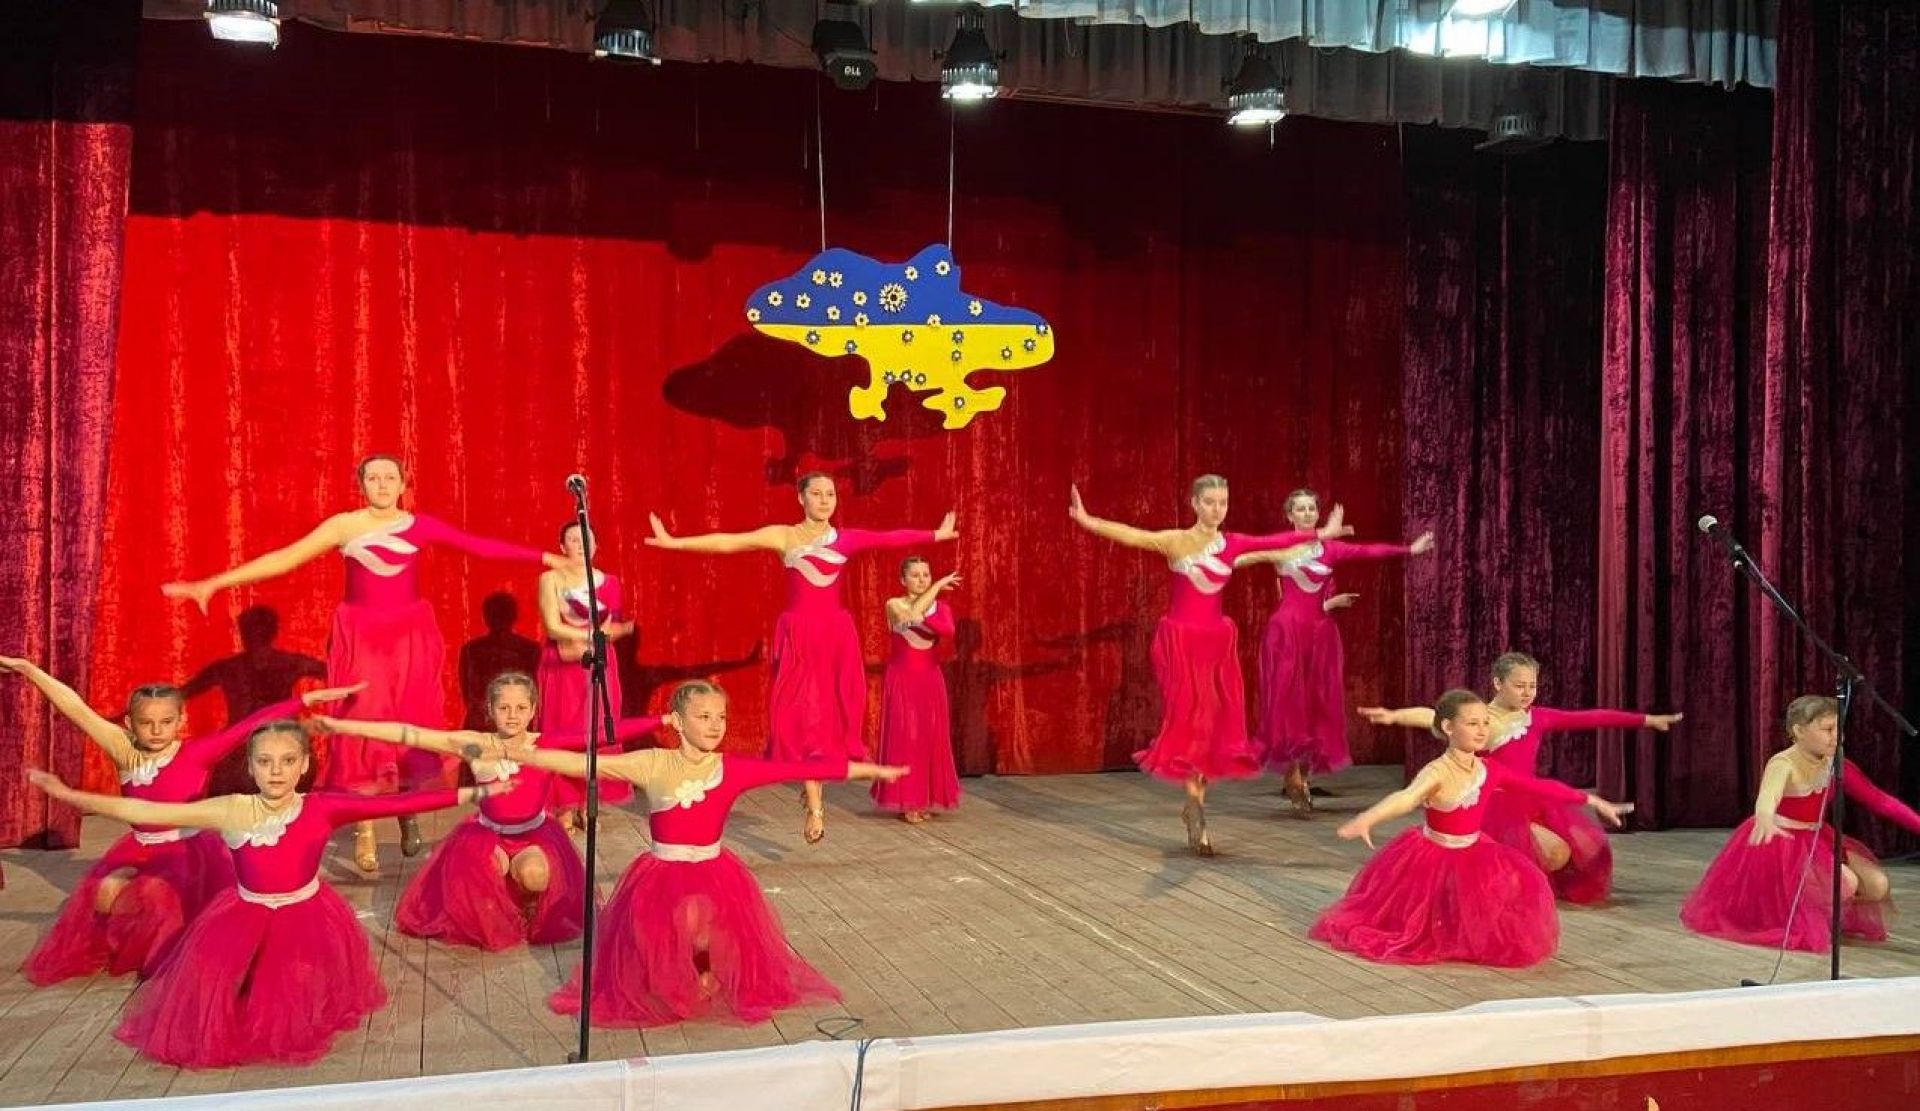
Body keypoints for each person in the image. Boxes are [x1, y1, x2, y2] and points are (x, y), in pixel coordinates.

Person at [161, 453, 561, 874]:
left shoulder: (418, 525)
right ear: (361, 484)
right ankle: (365, 828)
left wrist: (547, 559)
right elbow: (284, 558)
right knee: (362, 724)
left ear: (403, 484)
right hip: (362, 638)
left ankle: (407, 808)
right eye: (373, 478)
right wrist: (215, 583)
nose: (382, 485)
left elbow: (478, 546)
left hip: (408, 639)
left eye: (390, 477)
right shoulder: (344, 526)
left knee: (408, 725)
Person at [27, 722, 501, 1068]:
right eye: (265, 762)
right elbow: (146, 809)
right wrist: (75, 797)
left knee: (289, 1001)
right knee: (211, 992)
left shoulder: (322, 807)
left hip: (304, 915)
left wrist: (472, 796)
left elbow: (399, 802)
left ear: (305, 765)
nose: (276, 771)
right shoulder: (231, 809)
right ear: (250, 766)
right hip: (243, 913)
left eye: (287, 761)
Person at [505, 679, 908, 1027]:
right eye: (703, 716)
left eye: (721, 717)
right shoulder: (652, 763)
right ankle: (677, 970)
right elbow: (581, 763)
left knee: (698, 926)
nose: (715, 725)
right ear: (678, 722)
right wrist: (522, 754)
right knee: (669, 940)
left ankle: (703, 967)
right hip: (661, 876)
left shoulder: (731, 768)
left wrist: (874, 771)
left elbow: (797, 769)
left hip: (714, 875)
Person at [4, 656, 360, 984]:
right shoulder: (123, 749)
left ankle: (187, 957)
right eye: (146, 724)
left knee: (161, 898)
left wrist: (303, 701)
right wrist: (28, 670)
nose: (157, 731)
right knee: (103, 893)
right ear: (129, 724)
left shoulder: (195, 753)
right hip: (140, 850)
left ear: (181, 720)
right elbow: (76, 709)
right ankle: (139, 942)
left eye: (166, 722)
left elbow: (248, 726)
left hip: (190, 853)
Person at [646, 472, 954, 842]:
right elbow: (731, 542)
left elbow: (889, 538)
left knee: (826, 723)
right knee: (798, 717)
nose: (825, 500)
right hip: (799, 639)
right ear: (801, 498)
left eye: (830, 494)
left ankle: (816, 804)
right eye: (817, 493)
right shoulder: (784, 536)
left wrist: (935, 535)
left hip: (835, 639)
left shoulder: (845, 538)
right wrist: (675, 543)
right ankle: (814, 801)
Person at [1067, 475, 1345, 853]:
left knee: (1214, 727)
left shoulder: (1233, 544)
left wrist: (1322, 534)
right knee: (1189, 723)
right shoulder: (1176, 541)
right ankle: (1194, 805)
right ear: (1195, 504)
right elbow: (1132, 535)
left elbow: (1274, 543)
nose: (1217, 509)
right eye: (1210, 502)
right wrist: (1088, 520)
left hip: (1217, 647)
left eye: (1223, 502)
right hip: (1180, 645)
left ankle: (1195, 802)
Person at [315, 673, 660, 950]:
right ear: (490, 711)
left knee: (536, 876)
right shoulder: (475, 744)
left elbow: (602, 735)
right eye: (504, 707)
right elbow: (410, 734)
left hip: (534, 836)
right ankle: (502, 897)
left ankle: (523, 899)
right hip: (487, 835)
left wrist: (661, 720)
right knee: (483, 877)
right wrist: (343, 726)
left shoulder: (543, 744)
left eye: (521, 707)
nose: (513, 715)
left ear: (533, 710)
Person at [1311, 689, 1628, 967]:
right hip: (1433, 854)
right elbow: (1406, 798)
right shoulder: (1437, 772)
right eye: (1472, 723)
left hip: (1474, 849)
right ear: (1448, 727)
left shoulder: (1490, 769)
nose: (1481, 731)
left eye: (1485, 723)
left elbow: (1538, 786)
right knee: (1417, 920)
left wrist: (1590, 799)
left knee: (1520, 883)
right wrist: (1369, 818)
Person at [1359, 651, 1680, 902]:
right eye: (1519, 685)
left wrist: (1646, 720)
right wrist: (1394, 716)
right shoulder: (1482, 719)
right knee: (1549, 854)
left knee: (1579, 851)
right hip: (1494, 807)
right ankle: (1491, 888)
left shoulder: (1538, 717)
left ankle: (1512, 886)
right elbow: (1431, 715)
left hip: (1531, 798)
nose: (1528, 693)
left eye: (1532, 686)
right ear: (1498, 684)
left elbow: (1590, 717)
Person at [1232, 487, 1433, 812]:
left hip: (1320, 635)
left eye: (1312, 508)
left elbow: (1369, 551)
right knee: (1288, 702)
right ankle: (1292, 772)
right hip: (1286, 634)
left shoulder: (1331, 549)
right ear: (1290, 515)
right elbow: (1246, 556)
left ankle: (1302, 775)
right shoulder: (1283, 546)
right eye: (1300, 509)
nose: (1307, 513)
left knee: (1317, 703)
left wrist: (1409, 549)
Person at [1681, 694, 1920, 952]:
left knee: (1876, 885)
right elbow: (1768, 796)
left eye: (1839, 729)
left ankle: (1818, 911)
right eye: (1828, 729)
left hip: (1817, 838)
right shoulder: (1783, 764)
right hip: (1781, 840)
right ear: (1799, 731)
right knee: (1846, 884)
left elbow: (1880, 801)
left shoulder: (1835, 763)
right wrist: (1765, 816)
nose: (1836, 736)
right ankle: (1791, 913)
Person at [535, 521, 637, 828]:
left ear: (596, 546)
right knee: (564, 729)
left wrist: (607, 634)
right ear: (562, 546)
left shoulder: (611, 582)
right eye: (573, 539)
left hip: (600, 662)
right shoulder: (550, 579)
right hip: (563, 665)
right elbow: (552, 626)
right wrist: (592, 636)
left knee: (596, 730)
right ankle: (563, 806)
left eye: (586, 539)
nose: (581, 545)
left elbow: (613, 625)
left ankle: (586, 803)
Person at [871, 558, 962, 822]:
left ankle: (923, 798)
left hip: (930, 680)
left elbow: (947, 630)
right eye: (915, 575)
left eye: (926, 575)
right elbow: (911, 615)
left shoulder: (940, 608)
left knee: (929, 738)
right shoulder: (894, 604)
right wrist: (938, 585)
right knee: (907, 738)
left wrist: (932, 601)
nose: (922, 580)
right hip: (902, 679)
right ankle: (908, 801)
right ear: (903, 580)